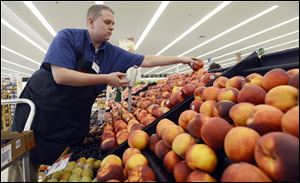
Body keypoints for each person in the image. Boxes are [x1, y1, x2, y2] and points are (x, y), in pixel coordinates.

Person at [10, 4, 201, 181]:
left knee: (61, 168)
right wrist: (105, 78)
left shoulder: (111, 53)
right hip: (39, 110)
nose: (111, 28)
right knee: (24, 162)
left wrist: (181, 59)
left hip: (68, 119)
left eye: (113, 24)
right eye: (107, 22)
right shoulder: (67, 37)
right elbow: (61, 75)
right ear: (91, 22)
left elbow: (146, 60)